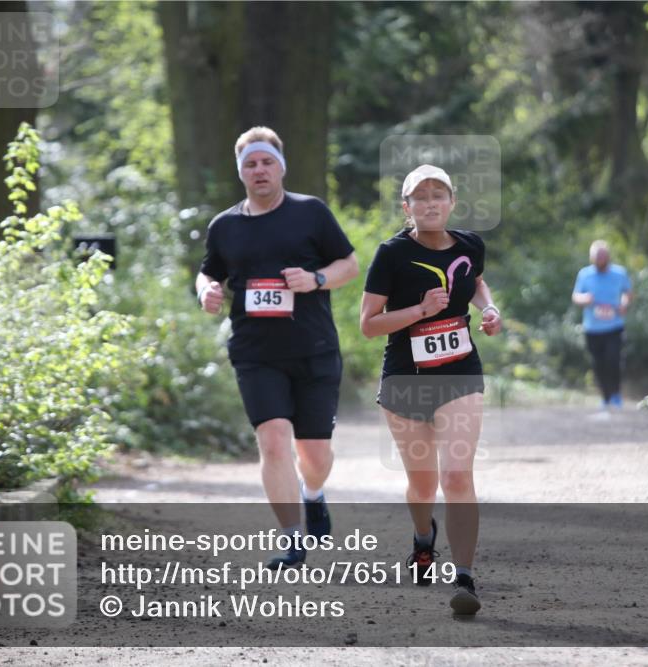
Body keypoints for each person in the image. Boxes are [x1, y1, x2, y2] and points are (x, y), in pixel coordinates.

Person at [196, 126, 359, 568]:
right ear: (241, 172)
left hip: (314, 348)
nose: (259, 170)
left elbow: (350, 263)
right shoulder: (224, 226)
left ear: (280, 166)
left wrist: (317, 279)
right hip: (255, 351)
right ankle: (291, 539)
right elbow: (208, 272)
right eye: (250, 164)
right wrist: (206, 290)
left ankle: (314, 493)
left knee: (315, 454)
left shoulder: (311, 213)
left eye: (266, 161)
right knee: (272, 441)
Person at [360, 164, 502, 616]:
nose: (429, 203)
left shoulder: (469, 244)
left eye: (437, 194)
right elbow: (368, 325)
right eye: (419, 197)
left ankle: (464, 578)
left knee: (456, 475)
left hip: (460, 370)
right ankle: (424, 538)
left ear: (452, 201)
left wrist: (490, 308)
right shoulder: (391, 254)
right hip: (406, 376)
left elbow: (474, 280)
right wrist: (419, 310)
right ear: (407, 208)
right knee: (421, 486)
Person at [571, 240, 632, 409]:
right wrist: (585, 299)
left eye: (603, 257)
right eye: (597, 258)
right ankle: (605, 397)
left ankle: (616, 393)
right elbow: (576, 296)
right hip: (592, 328)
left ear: (608, 257)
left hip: (614, 326)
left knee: (613, 360)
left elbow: (627, 293)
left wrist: (624, 304)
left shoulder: (620, 273)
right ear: (592, 258)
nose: (600, 260)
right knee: (598, 364)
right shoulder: (584, 274)